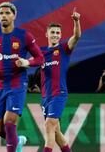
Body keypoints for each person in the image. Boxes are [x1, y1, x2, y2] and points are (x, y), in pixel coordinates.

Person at [0, 2, 44, 152]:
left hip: (18, 84)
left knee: (9, 122)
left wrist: (26, 62)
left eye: (7, 13)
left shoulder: (24, 36)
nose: (4, 16)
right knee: (0, 130)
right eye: (1, 13)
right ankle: (19, 141)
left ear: (14, 16)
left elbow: (40, 58)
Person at [40, 8, 81, 152]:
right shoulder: (41, 52)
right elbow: (29, 62)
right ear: (47, 34)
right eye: (53, 32)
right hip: (45, 96)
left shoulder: (64, 49)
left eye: (58, 33)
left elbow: (76, 37)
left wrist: (76, 21)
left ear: (61, 35)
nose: (55, 35)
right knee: (56, 132)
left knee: (49, 125)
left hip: (59, 94)